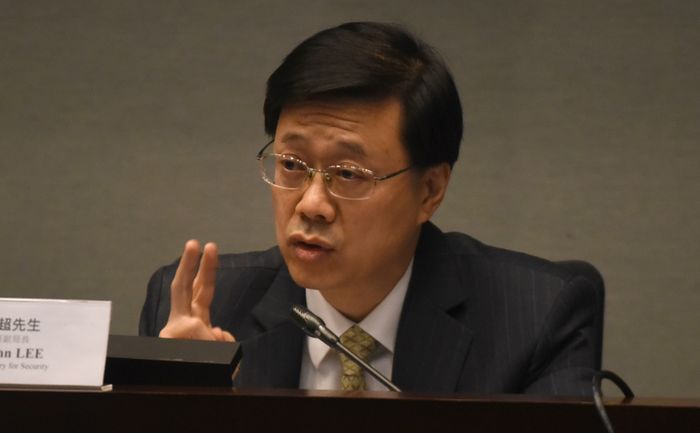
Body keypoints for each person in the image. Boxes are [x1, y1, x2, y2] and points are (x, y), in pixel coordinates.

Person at [139, 22, 602, 396]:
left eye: (348, 173)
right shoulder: (202, 314)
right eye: (292, 165)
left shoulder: (536, 318)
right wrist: (190, 410)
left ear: (430, 191)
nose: (311, 204)